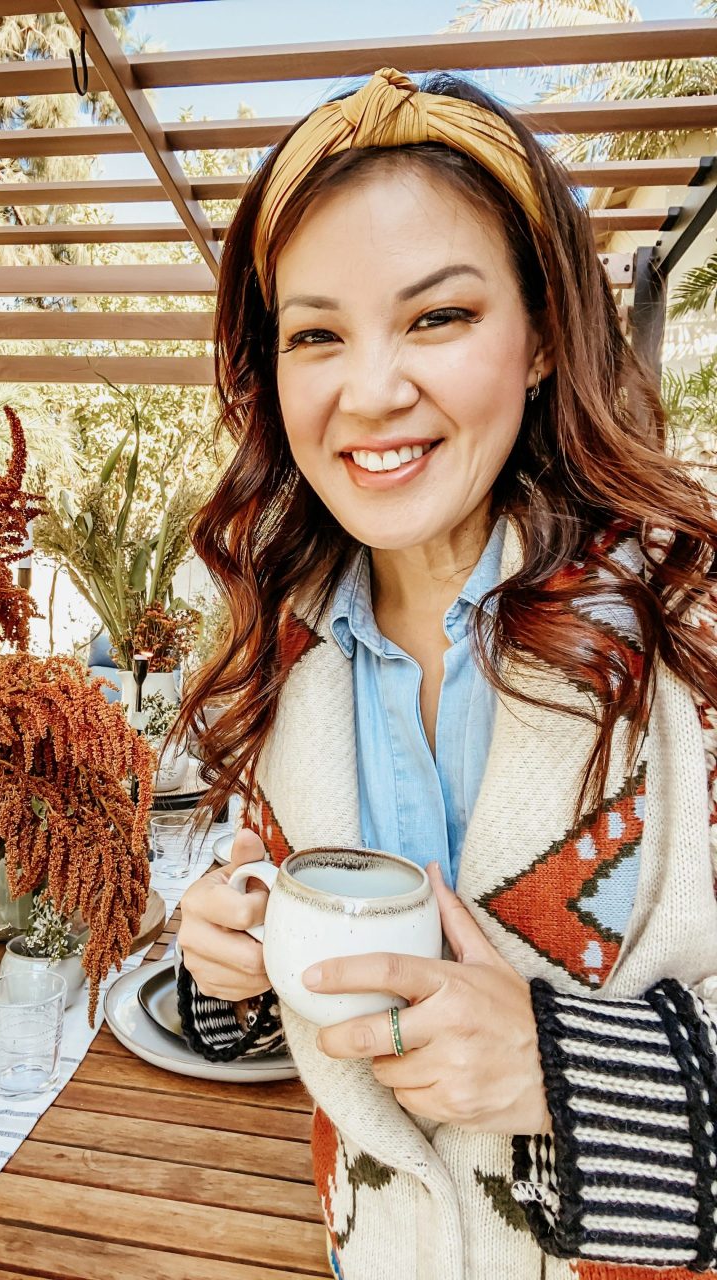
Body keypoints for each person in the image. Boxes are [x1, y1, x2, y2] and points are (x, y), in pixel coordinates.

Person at [173, 67, 717, 1280]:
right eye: (317, 334)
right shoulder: (277, 656)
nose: (371, 391)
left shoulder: (692, 628)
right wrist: (226, 971)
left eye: (437, 317)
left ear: (539, 340)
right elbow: (289, 1019)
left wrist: (564, 1072)